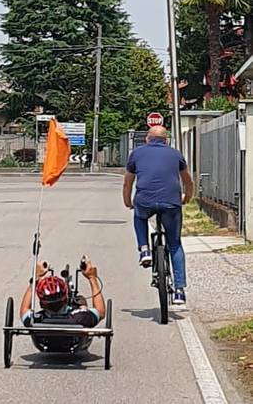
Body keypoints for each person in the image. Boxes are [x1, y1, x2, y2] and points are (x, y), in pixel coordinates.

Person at [122, 126, 194, 305]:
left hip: (145, 201)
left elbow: (128, 182)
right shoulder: (175, 154)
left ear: (147, 139)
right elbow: (188, 181)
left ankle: (145, 249)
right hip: (171, 203)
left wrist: (128, 201)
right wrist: (187, 198)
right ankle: (179, 291)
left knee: (139, 217)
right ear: (166, 140)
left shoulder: (137, 154)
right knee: (175, 243)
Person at [19, 257, 105, 327]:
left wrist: (36, 277)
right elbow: (100, 311)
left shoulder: (35, 320)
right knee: (81, 301)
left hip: (46, 342)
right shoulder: (82, 318)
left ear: (42, 303)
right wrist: (91, 277)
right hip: (74, 340)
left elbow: (24, 310)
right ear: (66, 299)